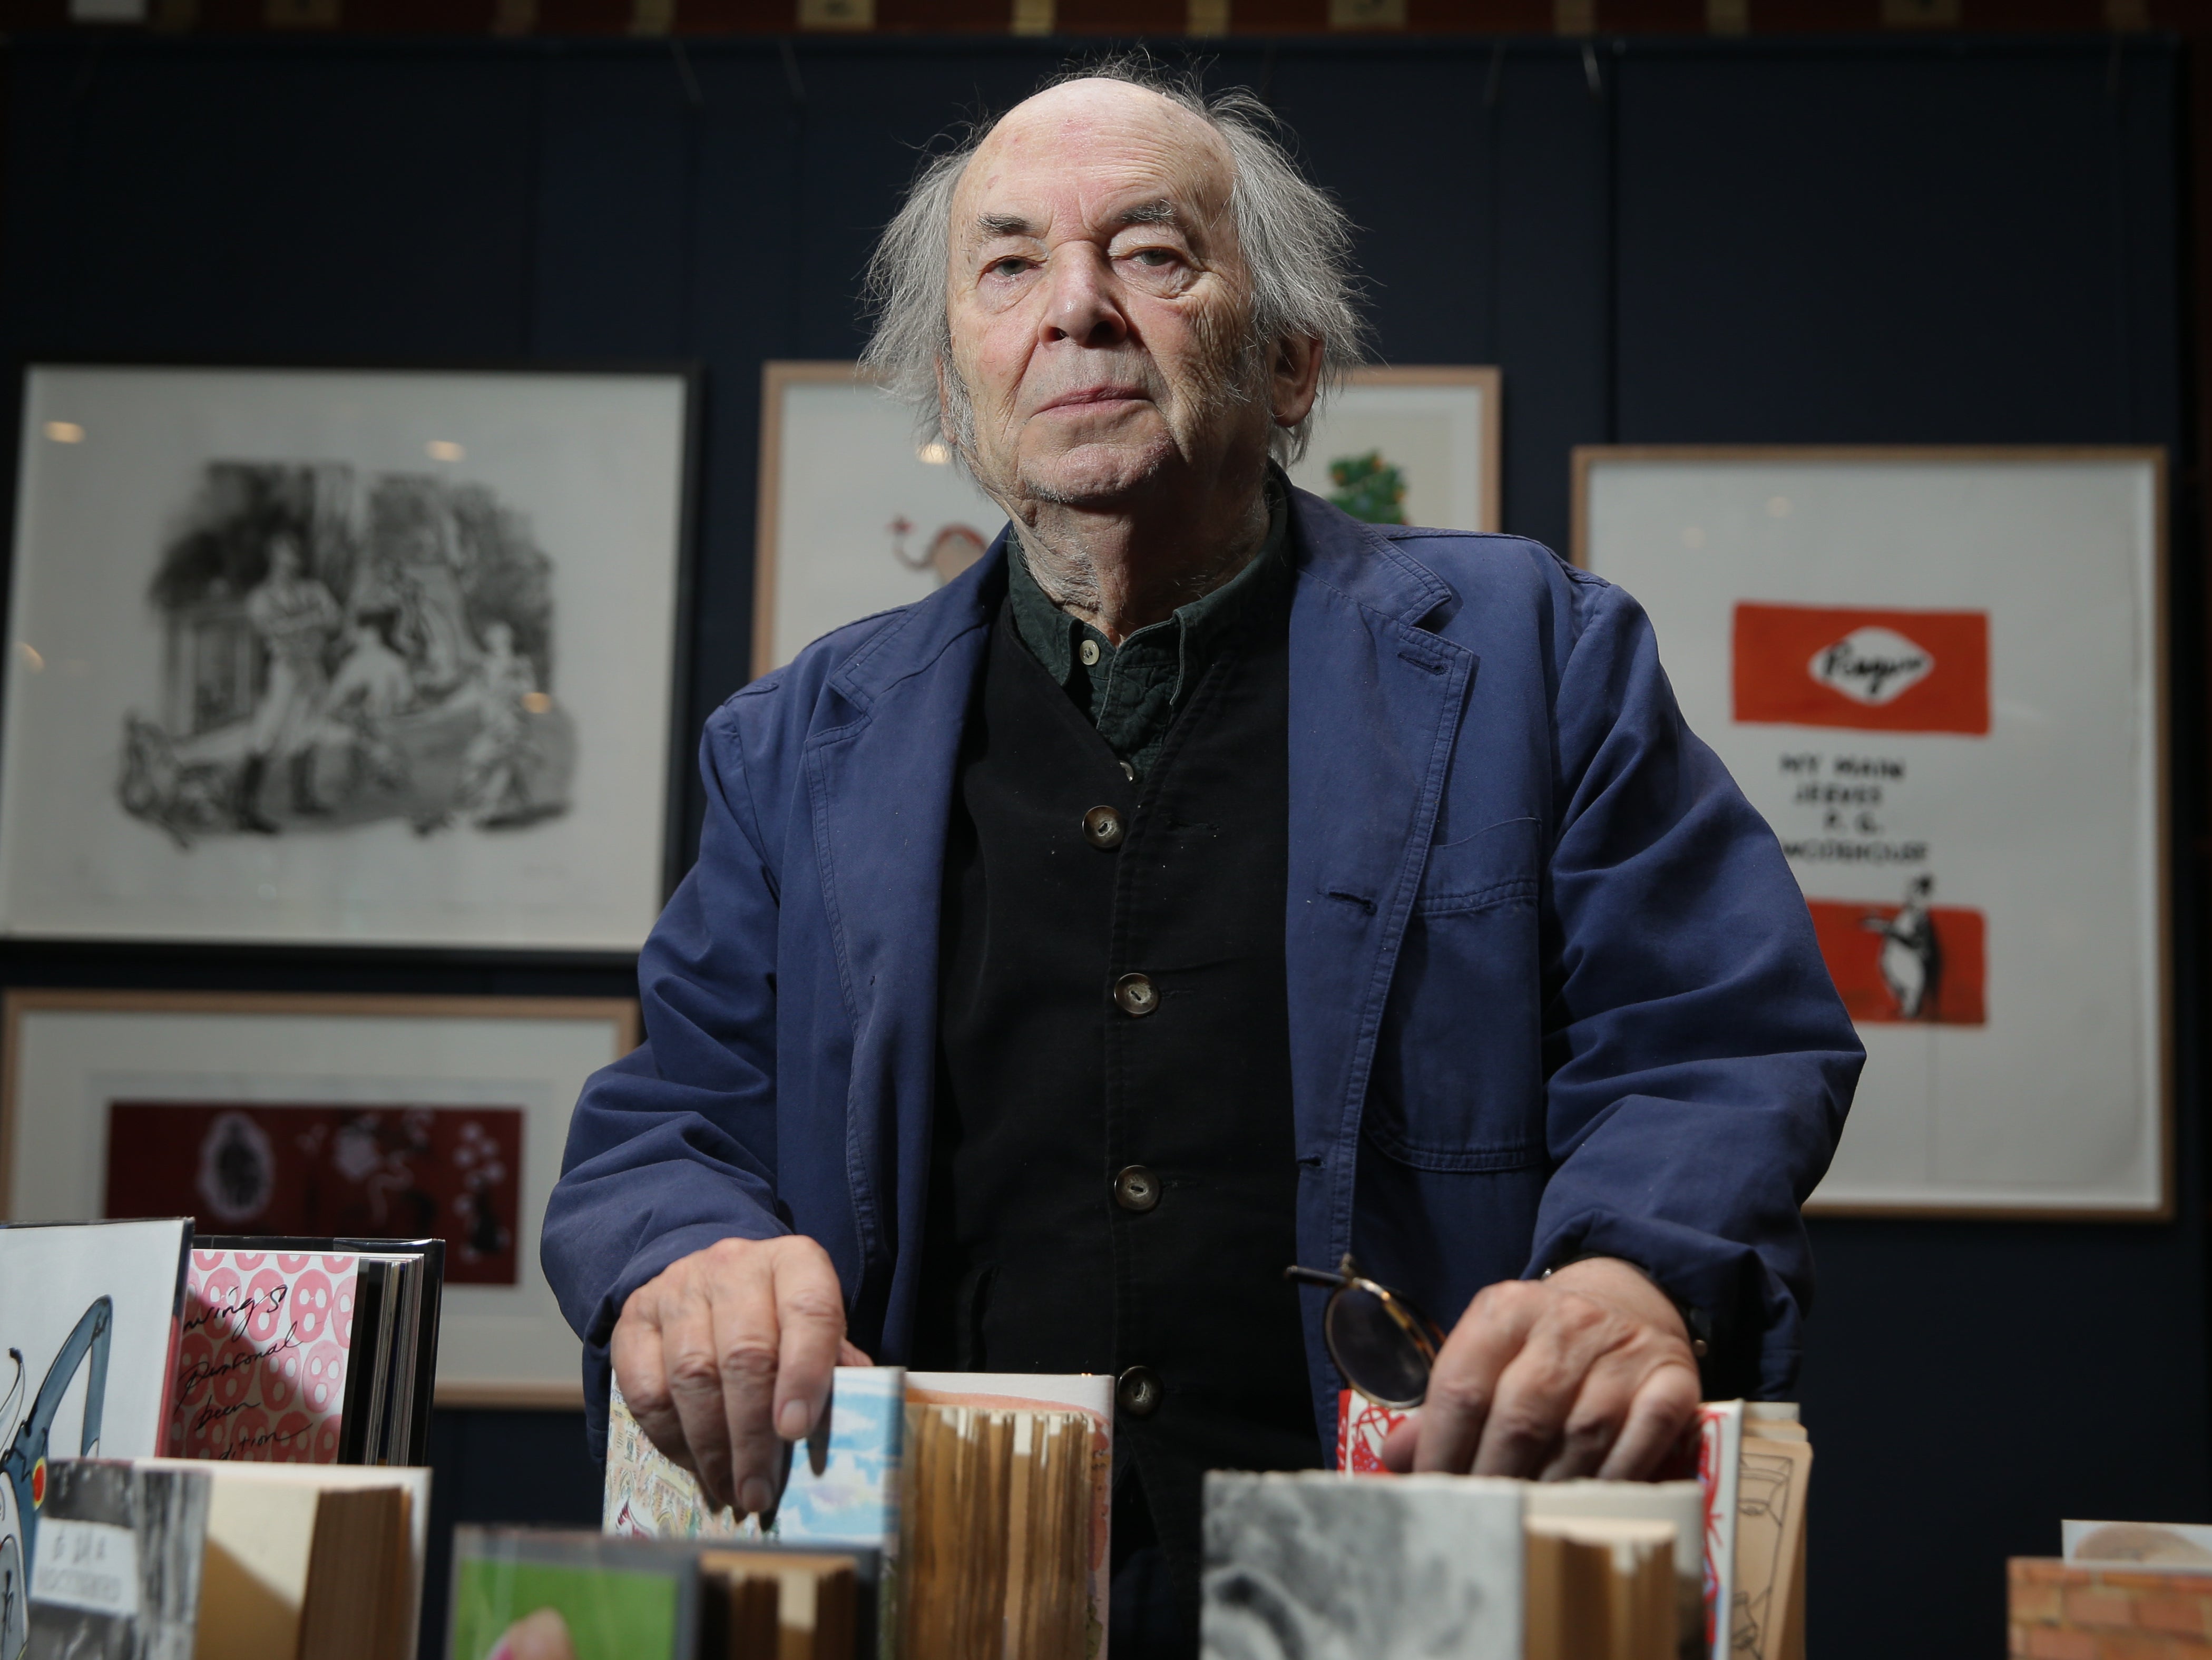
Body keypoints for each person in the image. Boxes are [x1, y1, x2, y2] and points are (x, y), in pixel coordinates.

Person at [542, 61, 1861, 1655]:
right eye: (1011, 265)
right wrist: (685, 1255)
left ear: (1289, 364)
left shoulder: (1536, 658)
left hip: (1414, 1584)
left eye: (1153, 255)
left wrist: (1630, 1280)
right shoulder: (794, 741)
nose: (1077, 309)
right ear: (952, 387)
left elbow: (1713, 1041)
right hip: (953, 1599)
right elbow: (671, 1114)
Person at [237, 531, 339, 832]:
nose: (293, 559)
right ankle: (244, 807)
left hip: (312, 667)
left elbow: (334, 619)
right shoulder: (262, 596)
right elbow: (273, 629)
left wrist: (301, 624)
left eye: (296, 553)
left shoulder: (313, 589)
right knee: (268, 732)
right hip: (285, 669)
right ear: (274, 556)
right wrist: (310, 621)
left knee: (308, 730)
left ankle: (303, 797)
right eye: (286, 552)